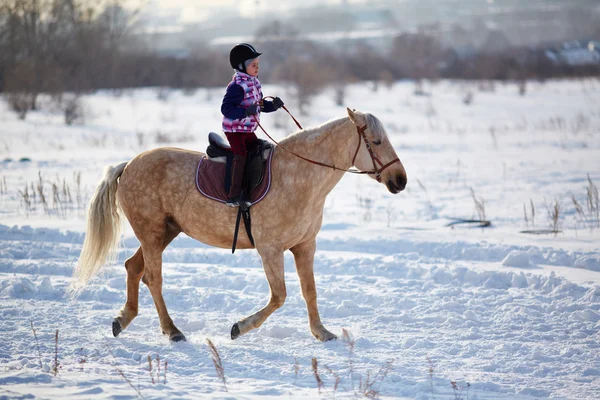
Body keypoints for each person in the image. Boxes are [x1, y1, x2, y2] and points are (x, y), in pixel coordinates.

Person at [221, 43, 284, 207]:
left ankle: (257, 185)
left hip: (247, 129)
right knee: (241, 155)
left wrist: (273, 106)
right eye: (253, 65)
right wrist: (244, 112)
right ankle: (234, 194)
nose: (257, 68)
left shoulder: (254, 83)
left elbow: (260, 106)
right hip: (234, 130)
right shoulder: (237, 87)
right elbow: (226, 109)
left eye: (258, 65)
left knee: (260, 149)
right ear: (241, 67)